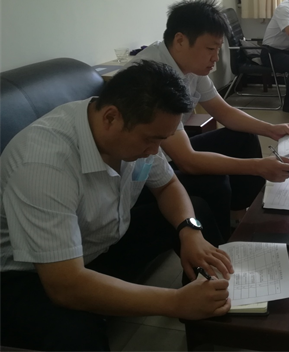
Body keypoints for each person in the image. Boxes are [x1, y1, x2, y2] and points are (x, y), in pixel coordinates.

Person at [0, 61, 234, 351]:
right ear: (111, 117)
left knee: (195, 211)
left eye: (162, 140)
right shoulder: (43, 164)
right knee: (76, 333)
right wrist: (173, 303)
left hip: (98, 239)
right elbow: (64, 285)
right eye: (151, 140)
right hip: (31, 274)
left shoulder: (128, 124)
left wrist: (190, 231)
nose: (155, 151)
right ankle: (191, 303)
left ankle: (214, 308)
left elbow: (167, 185)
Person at [131, 0, 289, 239]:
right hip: (144, 172)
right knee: (215, 182)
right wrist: (257, 167)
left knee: (244, 137)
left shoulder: (189, 65)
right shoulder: (153, 77)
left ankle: (241, 219)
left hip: (170, 152)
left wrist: (271, 129)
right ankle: (222, 245)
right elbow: (187, 160)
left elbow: (224, 112)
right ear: (180, 40)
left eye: (218, 49)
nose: (215, 58)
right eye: (210, 49)